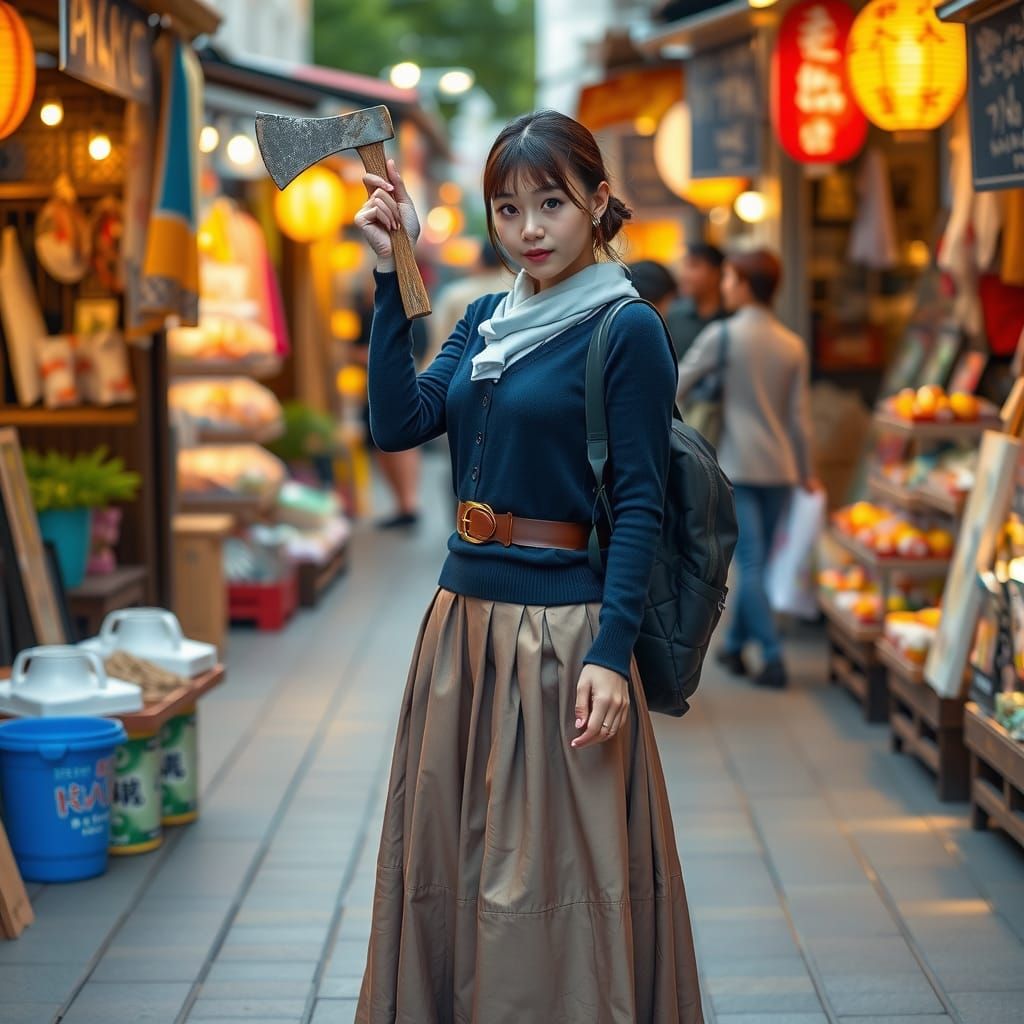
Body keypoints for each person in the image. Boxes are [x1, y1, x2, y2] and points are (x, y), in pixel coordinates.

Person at [353, 110, 703, 1023]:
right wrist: (391, 273)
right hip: (461, 629)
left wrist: (611, 653)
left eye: (551, 203)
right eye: (507, 210)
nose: (530, 229)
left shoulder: (625, 328)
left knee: (556, 875)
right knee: (455, 860)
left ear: (597, 201)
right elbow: (398, 422)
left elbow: (639, 502)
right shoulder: (484, 318)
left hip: (562, 637)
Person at [676, 249, 817, 690]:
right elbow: (799, 418)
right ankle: (735, 646)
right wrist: (808, 472)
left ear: (743, 284)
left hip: (736, 465)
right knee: (761, 562)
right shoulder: (792, 344)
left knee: (751, 565)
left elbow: (675, 383)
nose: (725, 286)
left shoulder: (722, 336)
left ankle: (772, 657)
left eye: (730, 279)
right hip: (782, 468)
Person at [665, 243, 727, 361]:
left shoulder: (733, 318)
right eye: (684, 266)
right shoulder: (674, 315)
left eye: (693, 266)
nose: (684, 275)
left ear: (716, 273)